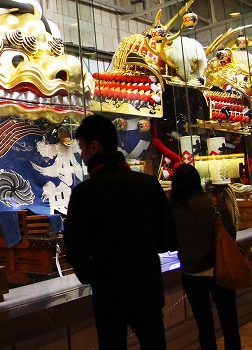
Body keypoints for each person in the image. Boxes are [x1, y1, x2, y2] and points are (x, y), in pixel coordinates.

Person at [64, 114, 177, 349]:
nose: (83, 156)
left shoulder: (84, 194)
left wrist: (94, 274)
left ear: (94, 146)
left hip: (109, 293)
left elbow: (75, 248)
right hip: (146, 286)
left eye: (83, 149)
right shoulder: (148, 186)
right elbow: (168, 238)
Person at [170, 164, 242, 350]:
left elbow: (169, 242)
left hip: (192, 272)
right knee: (229, 322)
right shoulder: (214, 202)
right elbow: (231, 234)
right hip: (220, 267)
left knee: (204, 325)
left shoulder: (173, 210)